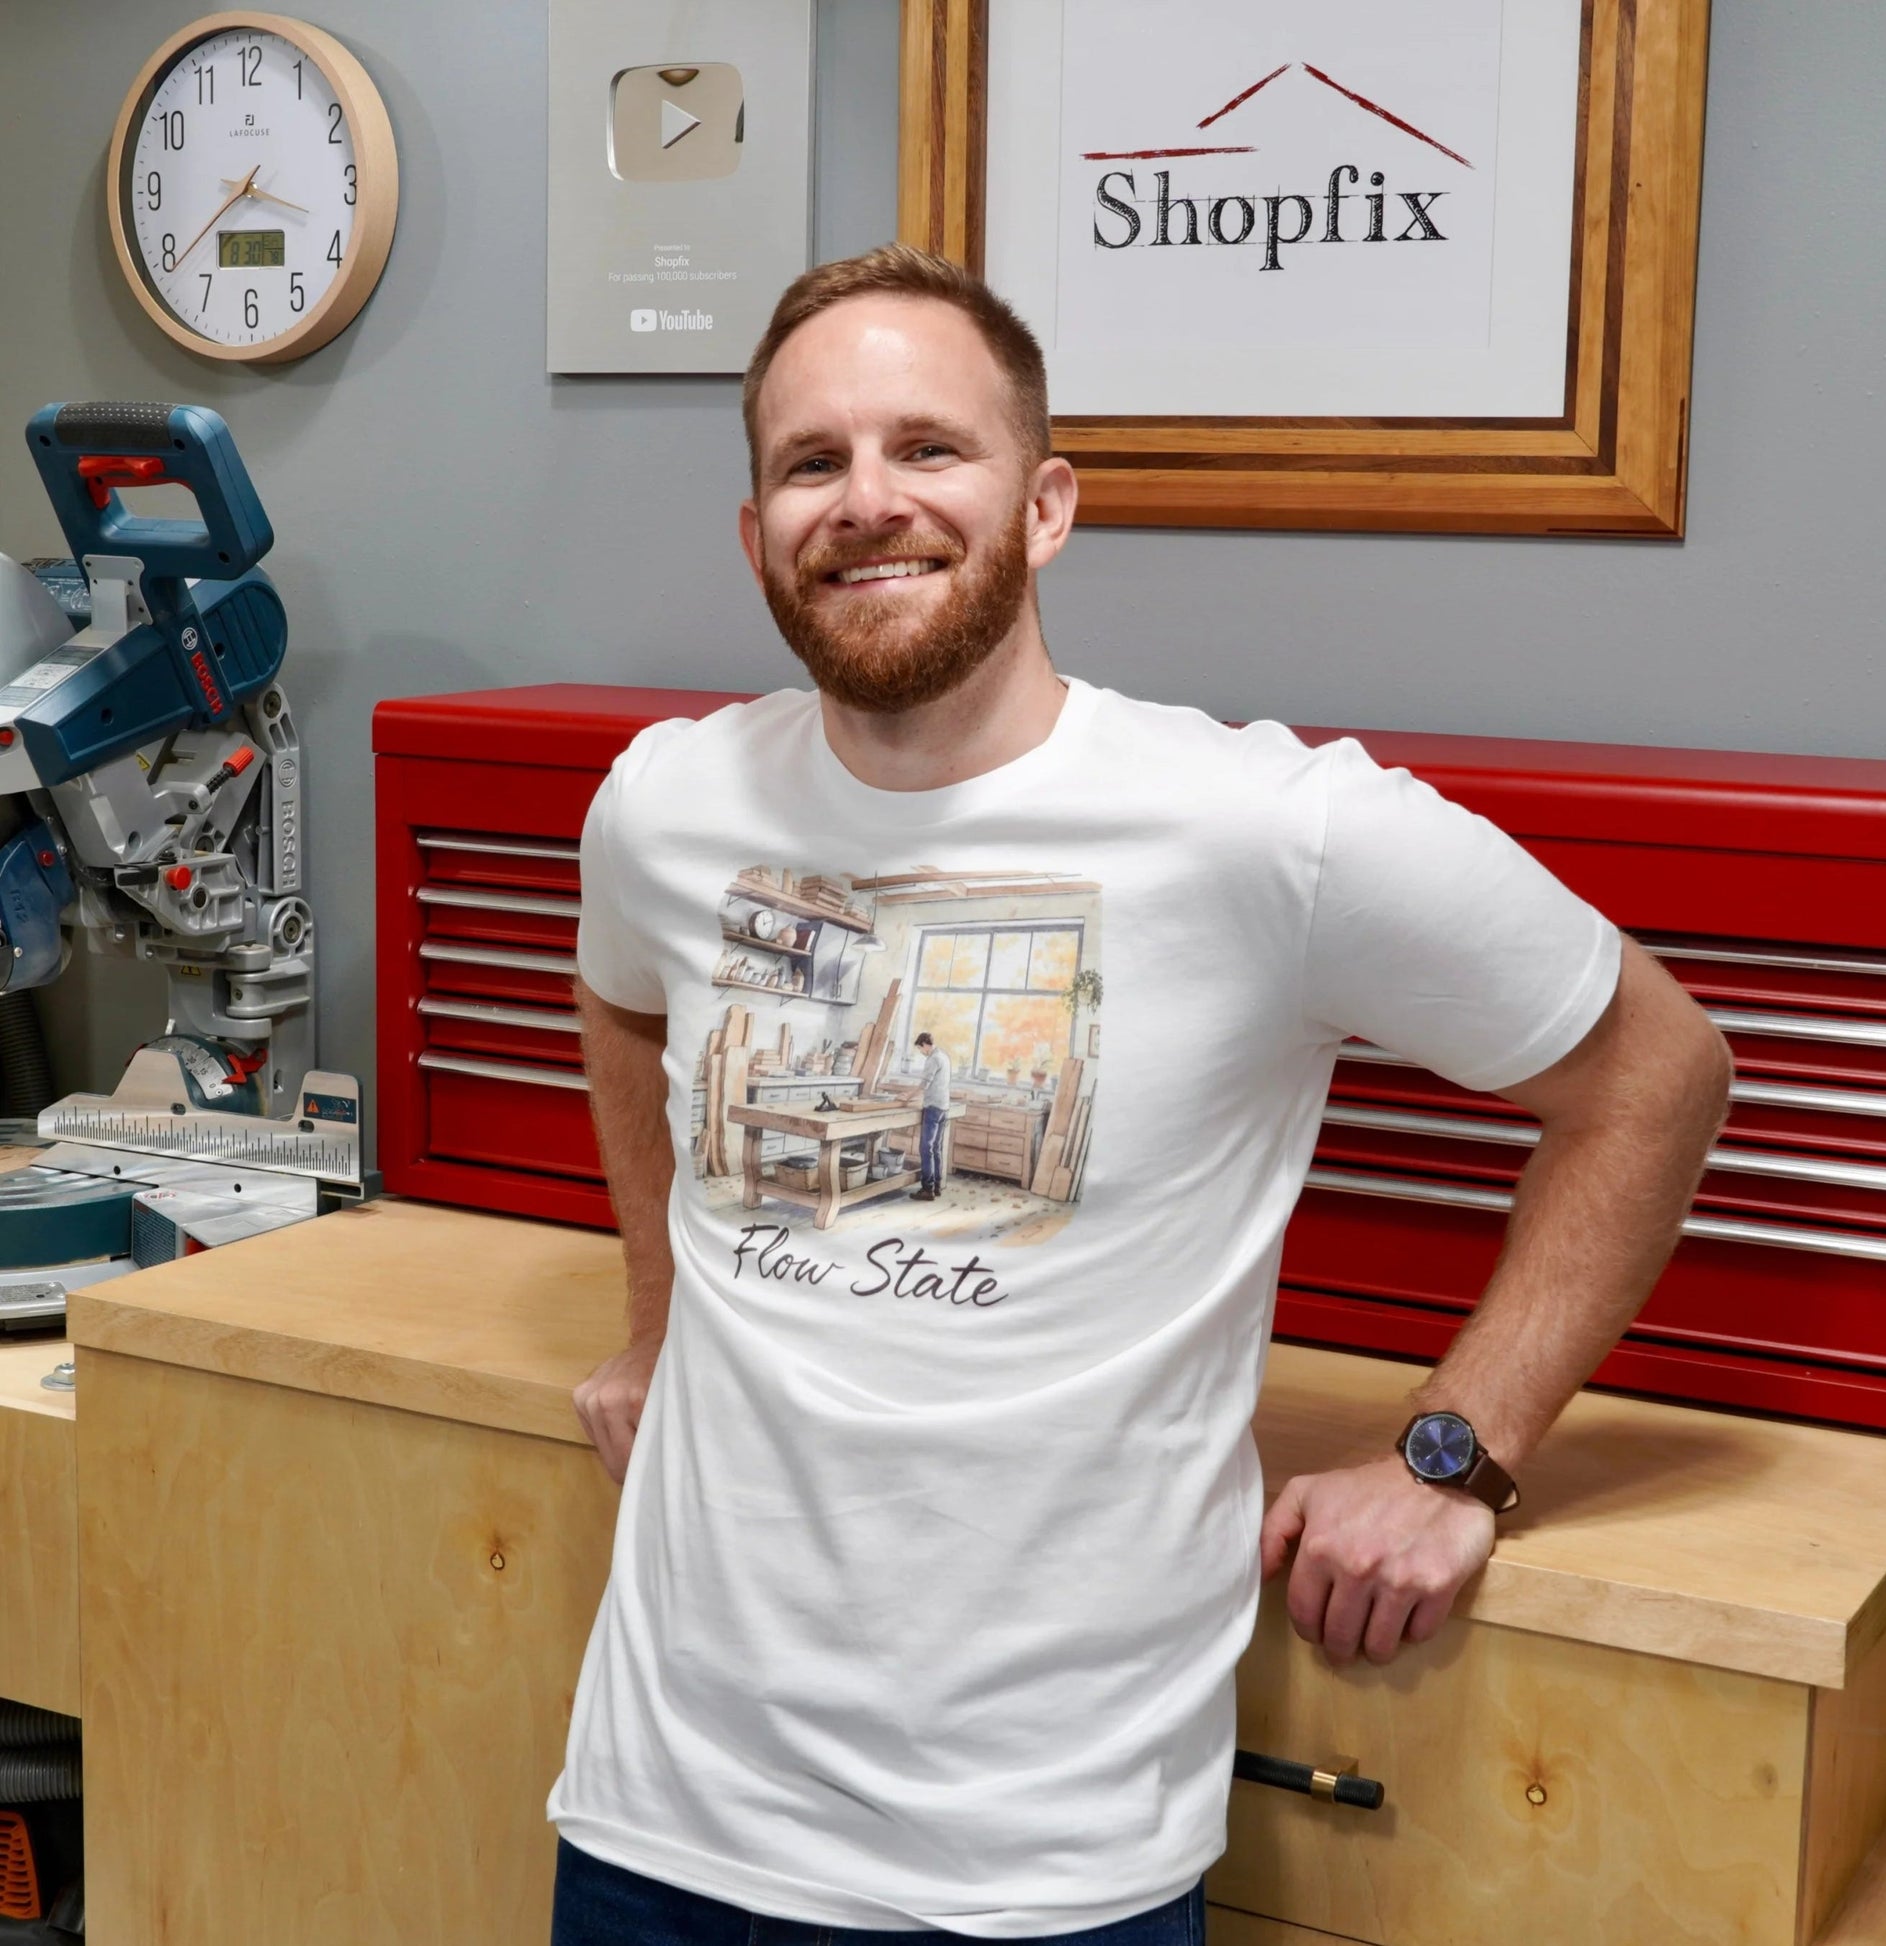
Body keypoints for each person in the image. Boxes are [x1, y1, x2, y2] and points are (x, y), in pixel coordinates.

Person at [552, 244, 1730, 1943]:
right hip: (657, 1821)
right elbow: (620, 1004)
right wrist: (659, 1318)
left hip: (1048, 1870)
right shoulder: (664, 804)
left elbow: (1657, 1072)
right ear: (757, 535)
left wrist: (1456, 1454)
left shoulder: (1274, 830)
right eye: (813, 463)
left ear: (1044, 506)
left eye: (927, 449)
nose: (867, 500)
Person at [902, 1030, 952, 1199]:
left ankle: (927, 1189)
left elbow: (924, 1084)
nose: (921, 1053)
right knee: (936, 1148)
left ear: (924, 1045)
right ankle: (937, 1186)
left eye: (920, 1049)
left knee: (925, 1149)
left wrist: (908, 1096)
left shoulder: (933, 1059)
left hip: (932, 1107)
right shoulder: (943, 1056)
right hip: (943, 1107)